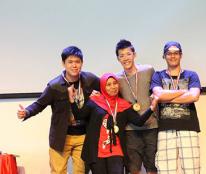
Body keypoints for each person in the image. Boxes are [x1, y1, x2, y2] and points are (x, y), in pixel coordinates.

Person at [17, 46, 100, 174]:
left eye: (77, 62)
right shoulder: (54, 86)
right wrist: (26, 112)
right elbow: (39, 104)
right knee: (58, 171)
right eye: (70, 62)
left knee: (81, 171)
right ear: (63, 63)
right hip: (61, 137)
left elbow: (107, 89)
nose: (74, 65)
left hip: (84, 136)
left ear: (82, 63)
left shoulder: (90, 80)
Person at [68, 73, 158, 174]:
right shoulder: (94, 101)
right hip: (97, 151)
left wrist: (151, 108)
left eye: (115, 83)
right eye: (108, 84)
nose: (113, 87)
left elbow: (139, 121)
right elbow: (79, 115)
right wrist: (72, 100)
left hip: (116, 150)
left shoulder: (125, 105)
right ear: (103, 86)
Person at [150, 41, 201, 174]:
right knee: (166, 170)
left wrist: (165, 97)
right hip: (165, 129)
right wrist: (184, 92)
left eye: (176, 53)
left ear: (181, 55)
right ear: (164, 56)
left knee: (192, 170)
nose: (173, 56)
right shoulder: (158, 75)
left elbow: (194, 96)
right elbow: (158, 94)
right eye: (169, 53)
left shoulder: (191, 75)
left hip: (189, 128)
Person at [115, 39, 158, 174]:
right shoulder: (117, 79)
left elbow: (156, 90)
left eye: (128, 54)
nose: (125, 58)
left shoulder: (148, 70)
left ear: (134, 54)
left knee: (152, 167)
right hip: (131, 129)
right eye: (121, 56)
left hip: (151, 126)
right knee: (133, 169)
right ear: (118, 59)